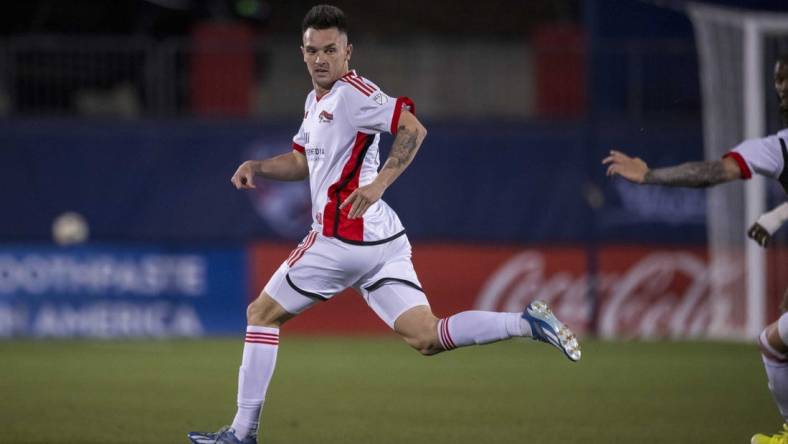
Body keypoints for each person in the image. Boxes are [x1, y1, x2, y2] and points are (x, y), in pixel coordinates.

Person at [187, 5, 581, 444]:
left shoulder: (356, 93)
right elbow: (301, 161)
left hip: (342, 238)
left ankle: (242, 433)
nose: (321, 58)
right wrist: (258, 166)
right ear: (302, 53)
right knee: (427, 335)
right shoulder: (315, 101)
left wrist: (378, 184)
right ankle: (526, 323)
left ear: (347, 51)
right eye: (313, 50)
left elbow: (413, 129)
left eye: (330, 49)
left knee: (260, 315)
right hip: (382, 240)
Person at [603, 55, 788, 444]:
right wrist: (652, 175)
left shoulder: (782, 147)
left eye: (787, 78)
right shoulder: (778, 147)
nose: (781, 86)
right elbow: (715, 171)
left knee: (772, 342)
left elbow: (716, 173)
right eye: (778, 79)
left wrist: (774, 216)